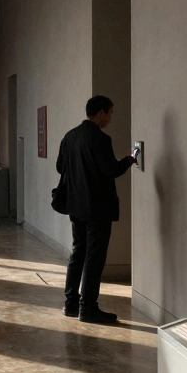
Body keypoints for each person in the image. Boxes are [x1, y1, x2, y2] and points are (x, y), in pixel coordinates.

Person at [55, 95, 137, 324]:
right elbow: (110, 170)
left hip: (75, 205)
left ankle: (71, 303)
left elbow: (60, 167)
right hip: (98, 207)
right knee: (94, 257)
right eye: (110, 113)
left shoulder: (70, 136)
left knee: (78, 252)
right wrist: (127, 161)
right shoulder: (100, 139)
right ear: (101, 113)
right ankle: (88, 307)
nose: (110, 118)